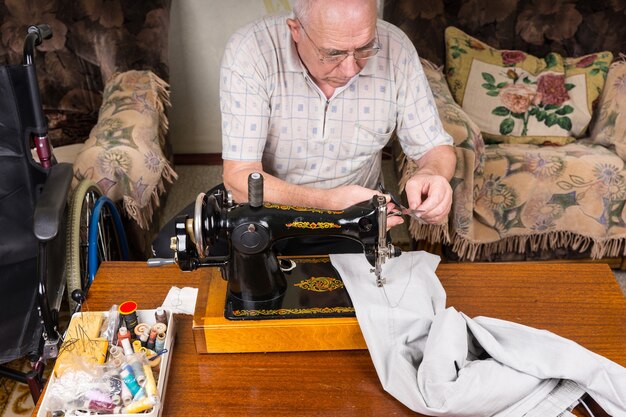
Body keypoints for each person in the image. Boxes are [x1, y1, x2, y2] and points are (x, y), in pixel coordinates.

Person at [152, 0, 455, 258]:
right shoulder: (252, 52)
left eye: (364, 48)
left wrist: (434, 174)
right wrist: (327, 201)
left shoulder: (397, 48)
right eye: (333, 54)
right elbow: (239, 178)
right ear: (296, 31)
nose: (351, 69)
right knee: (172, 256)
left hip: (357, 215)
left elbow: (435, 148)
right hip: (269, 210)